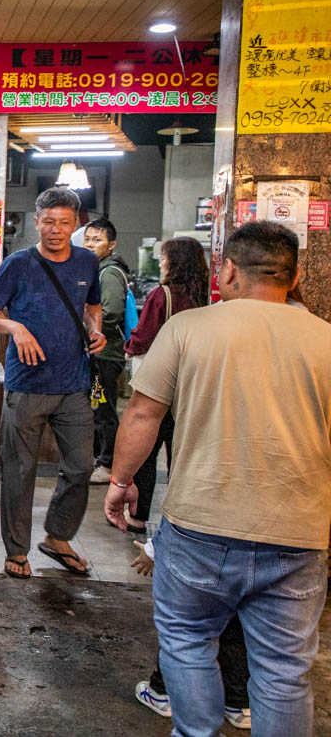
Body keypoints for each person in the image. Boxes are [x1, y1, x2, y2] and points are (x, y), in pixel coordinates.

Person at [105, 221, 331, 737]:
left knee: (187, 641)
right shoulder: (326, 339)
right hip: (298, 534)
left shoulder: (189, 329)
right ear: (294, 278)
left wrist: (121, 483)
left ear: (227, 271)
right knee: (284, 670)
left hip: (199, 526)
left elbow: (142, 414)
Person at [0, 187, 105, 579]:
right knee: (19, 471)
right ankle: (16, 550)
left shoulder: (87, 262)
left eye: (64, 223)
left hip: (74, 383)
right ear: (36, 222)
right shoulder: (18, 263)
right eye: (48, 222)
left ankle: (57, 537)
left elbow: (93, 306)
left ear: (75, 224)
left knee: (81, 466)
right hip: (27, 384)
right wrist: (15, 327)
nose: (55, 230)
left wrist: (95, 329)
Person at [118, 237, 210, 533]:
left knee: (147, 452)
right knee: (182, 454)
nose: (160, 262)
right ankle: (180, 516)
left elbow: (144, 335)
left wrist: (129, 347)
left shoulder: (162, 294)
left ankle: (138, 516)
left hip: (162, 385)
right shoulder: (206, 297)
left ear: (174, 261)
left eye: (164, 257)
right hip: (192, 385)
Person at [129, 539, 252, 729]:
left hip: (201, 558)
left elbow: (180, 522)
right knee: (237, 630)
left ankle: (164, 692)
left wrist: (152, 549)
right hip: (254, 561)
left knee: (185, 629)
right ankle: (238, 702)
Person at [81, 218, 133, 485]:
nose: (90, 244)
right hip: (100, 353)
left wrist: (85, 324)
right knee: (97, 406)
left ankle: (107, 463)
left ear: (111, 245)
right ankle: (99, 459)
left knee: (102, 408)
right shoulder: (98, 268)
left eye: (97, 240)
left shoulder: (109, 273)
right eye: (87, 239)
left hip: (105, 353)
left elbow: (111, 313)